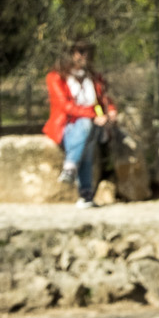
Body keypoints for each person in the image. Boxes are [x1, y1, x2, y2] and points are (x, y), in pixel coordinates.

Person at [43, 41, 122, 208]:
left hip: (91, 127)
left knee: (88, 135)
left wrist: (112, 111)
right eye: (79, 51)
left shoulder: (94, 77)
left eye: (87, 51)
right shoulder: (56, 77)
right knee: (86, 129)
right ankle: (85, 192)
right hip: (66, 126)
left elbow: (105, 100)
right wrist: (93, 115)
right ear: (70, 53)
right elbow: (65, 106)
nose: (84, 55)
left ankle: (72, 170)